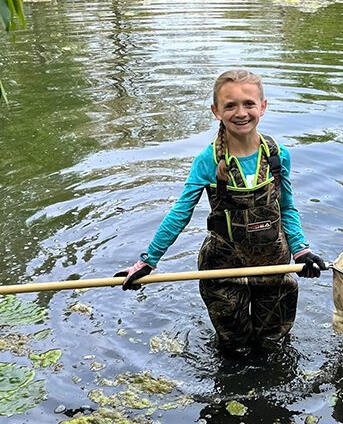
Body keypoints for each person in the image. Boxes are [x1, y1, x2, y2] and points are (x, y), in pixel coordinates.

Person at [115, 69, 325, 349]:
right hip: (223, 268)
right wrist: (147, 261)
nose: (241, 113)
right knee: (233, 346)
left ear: (263, 106)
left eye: (249, 103)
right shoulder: (207, 160)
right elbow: (180, 213)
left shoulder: (277, 155)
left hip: (274, 265)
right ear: (216, 111)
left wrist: (302, 251)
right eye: (230, 105)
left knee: (273, 343)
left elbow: (286, 207)